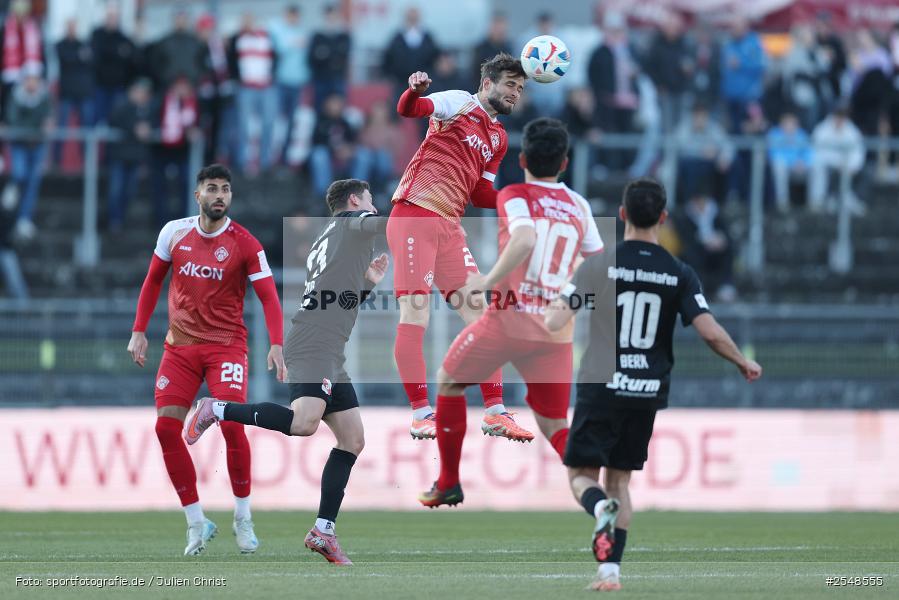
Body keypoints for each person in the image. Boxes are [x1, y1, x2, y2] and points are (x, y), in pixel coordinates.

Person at [544, 177, 762, 592]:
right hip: (645, 391)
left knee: (581, 476)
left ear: (623, 215)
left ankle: (598, 509)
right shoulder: (679, 272)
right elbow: (710, 331)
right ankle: (609, 572)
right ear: (663, 218)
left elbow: (556, 318)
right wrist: (741, 360)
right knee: (621, 480)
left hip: (600, 385)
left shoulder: (599, 263)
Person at [183, 179, 388, 565]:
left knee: (353, 439)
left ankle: (323, 531)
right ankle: (217, 409)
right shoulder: (352, 221)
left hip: (327, 344)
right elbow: (379, 225)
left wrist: (366, 286)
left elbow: (336, 295)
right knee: (303, 423)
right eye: (370, 201)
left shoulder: (329, 236)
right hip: (316, 341)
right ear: (354, 200)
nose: (374, 208)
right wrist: (417, 218)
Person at [418, 117, 604, 508]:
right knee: (555, 425)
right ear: (565, 163)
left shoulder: (515, 194)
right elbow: (598, 266)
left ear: (521, 160)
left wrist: (486, 282)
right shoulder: (579, 204)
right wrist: (572, 302)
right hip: (556, 331)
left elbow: (524, 238)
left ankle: (448, 481)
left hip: (508, 320)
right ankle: (598, 498)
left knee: (449, 380)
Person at [126, 164, 285, 557]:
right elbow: (152, 281)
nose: (219, 195)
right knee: (166, 430)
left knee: (233, 428)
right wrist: (138, 330)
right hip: (178, 348)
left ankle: (243, 517)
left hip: (226, 347)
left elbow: (268, 295)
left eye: (226, 189)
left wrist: (277, 343)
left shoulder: (246, 244)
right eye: (212, 188)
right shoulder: (173, 232)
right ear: (198, 195)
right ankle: (197, 522)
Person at [389, 53, 532, 440]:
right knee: (416, 313)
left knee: (485, 317)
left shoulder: (498, 138)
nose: (515, 94)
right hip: (415, 214)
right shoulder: (458, 102)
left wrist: (518, 198)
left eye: (520, 88)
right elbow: (411, 109)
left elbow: (481, 192)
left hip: (450, 225)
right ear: (488, 84)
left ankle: (495, 412)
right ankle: (421, 412)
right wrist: (413, 91)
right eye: (510, 85)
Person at [229, 13, 278, 174]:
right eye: (245, 21)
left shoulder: (267, 37)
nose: (249, 23)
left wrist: (271, 76)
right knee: (243, 126)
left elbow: (276, 57)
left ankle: (265, 161)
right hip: (246, 88)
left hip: (266, 87)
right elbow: (230, 59)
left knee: (269, 123)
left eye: (251, 20)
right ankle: (243, 162)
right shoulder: (237, 39)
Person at [7, 73, 51, 240]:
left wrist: (43, 127)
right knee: (20, 173)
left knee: (32, 183)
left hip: (37, 145)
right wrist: (33, 130)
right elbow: (13, 119)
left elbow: (48, 118)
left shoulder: (44, 97)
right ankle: (11, 188)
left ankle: (24, 218)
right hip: (20, 144)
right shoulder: (16, 96)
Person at [107, 79, 153, 231]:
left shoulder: (146, 110)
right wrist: (135, 127)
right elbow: (114, 119)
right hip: (120, 157)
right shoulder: (122, 106)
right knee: (115, 190)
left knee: (129, 191)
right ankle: (114, 220)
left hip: (134, 158)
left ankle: (121, 219)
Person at [269, 4, 311, 165]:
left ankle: (285, 155)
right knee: (278, 121)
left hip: (297, 82)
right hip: (281, 81)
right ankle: (274, 155)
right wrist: (293, 43)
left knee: (292, 120)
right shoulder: (278, 30)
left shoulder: (302, 32)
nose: (294, 18)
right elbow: (278, 49)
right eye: (291, 15)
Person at [54, 18, 94, 164]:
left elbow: (90, 61)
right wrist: (79, 56)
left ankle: (87, 160)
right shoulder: (60, 45)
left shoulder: (83, 44)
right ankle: (56, 160)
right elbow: (67, 59)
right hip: (66, 93)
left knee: (86, 128)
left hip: (83, 92)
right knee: (62, 127)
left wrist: (78, 57)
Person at [308, 4, 351, 113]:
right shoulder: (317, 36)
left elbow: (344, 54)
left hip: (338, 77)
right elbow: (313, 57)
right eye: (329, 16)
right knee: (319, 107)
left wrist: (325, 53)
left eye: (334, 16)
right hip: (321, 78)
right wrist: (332, 53)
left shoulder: (344, 35)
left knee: (339, 108)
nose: (331, 19)